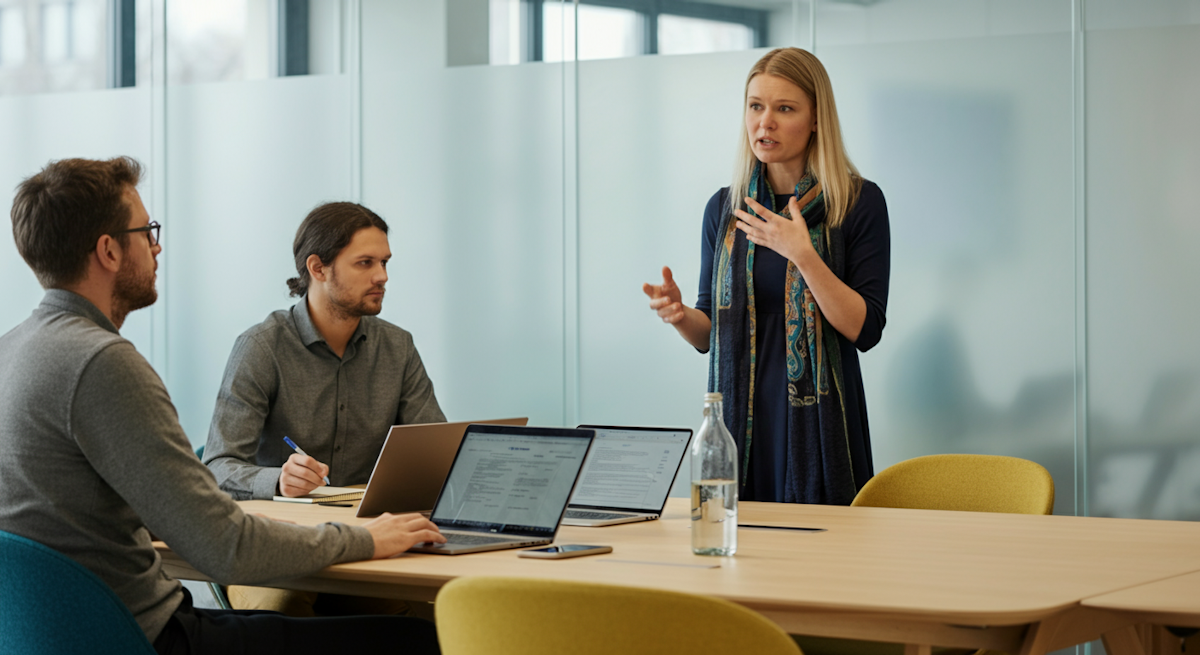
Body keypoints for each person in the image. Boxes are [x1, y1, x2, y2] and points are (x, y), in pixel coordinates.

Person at [0, 156, 446, 655]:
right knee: (421, 640)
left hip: (57, 634)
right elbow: (224, 545)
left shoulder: (11, 351)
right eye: (146, 230)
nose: (157, 244)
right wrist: (365, 539)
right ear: (108, 250)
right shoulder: (103, 363)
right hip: (147, 637)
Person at [643, 48, 890, 505]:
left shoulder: (857, 202)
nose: (765, 122)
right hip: (739, 417)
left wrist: (804, 255)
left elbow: (865, 327)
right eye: (756, 106)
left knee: (823, 557)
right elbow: (708, 334)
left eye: (785, 109)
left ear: (817, 119)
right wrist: (680, 315)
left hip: (820, 418)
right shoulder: (725, 207)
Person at [202, 201, 444, 616]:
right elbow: (217, 465)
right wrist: (278, 479)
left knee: (437, 613)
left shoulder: (397, 347)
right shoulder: (262, 347)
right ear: (317, 268)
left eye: (384, 262)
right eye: (365, 263)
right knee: (284, 611)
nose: (382, 276)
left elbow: (436, 454)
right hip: (276, 548)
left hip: (370, 541)